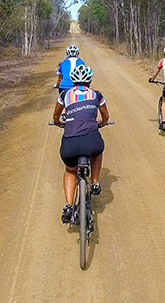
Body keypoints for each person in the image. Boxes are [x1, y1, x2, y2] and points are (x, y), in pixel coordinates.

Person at [53, 64, 110, 224]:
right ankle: (95, 182)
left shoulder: (65, 94)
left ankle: (69, 205)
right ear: (90, 81)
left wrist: (58, 122)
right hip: (92, 141)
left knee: (71, 171)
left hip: (70, 143)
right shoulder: (97, 95)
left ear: (72, 80)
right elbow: (105, 116)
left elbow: (56, 114)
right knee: (97, 152)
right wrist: (101, 122)